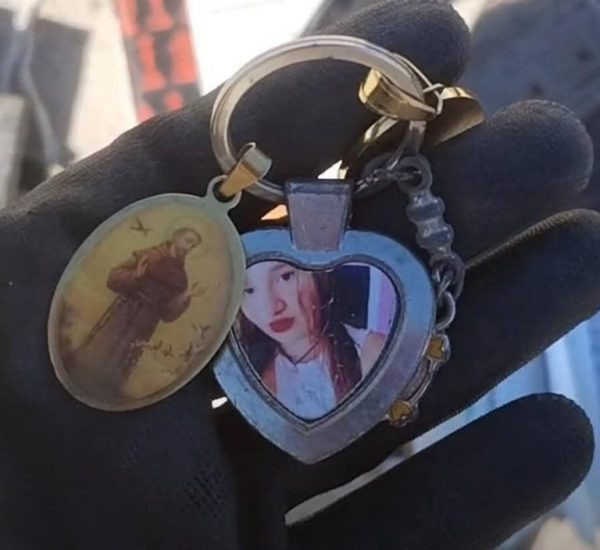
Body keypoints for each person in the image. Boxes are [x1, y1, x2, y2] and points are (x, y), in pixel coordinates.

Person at [237, 261, 386, 420]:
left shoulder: (372, 353)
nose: (271, 308)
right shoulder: (242, 373)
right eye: (249, 290)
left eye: (286, 277)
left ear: (319, 272)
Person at [67, 226, 202, 396]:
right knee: (103, 346)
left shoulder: (181, 278)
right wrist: (136, 275)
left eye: (193, 246)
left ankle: (105, 392)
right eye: (188, 241)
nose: (188, 248)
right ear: (176, 237)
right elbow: (113, 278)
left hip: (146, 322)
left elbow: (167, 314)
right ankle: (78, 378)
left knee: (124, 358)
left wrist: (184, 299)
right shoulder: (149, 255)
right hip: (124, 310)